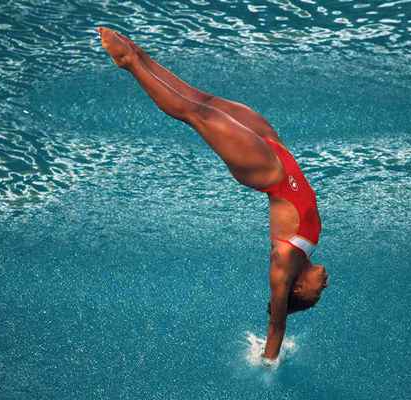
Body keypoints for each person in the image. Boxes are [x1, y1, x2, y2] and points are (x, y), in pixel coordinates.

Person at [96, 27, 328, 361]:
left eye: (316, 297)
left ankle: (129, 61)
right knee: (203, 99)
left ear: (299, 289)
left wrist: (269, 361)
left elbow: (276, 326)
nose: (324, 288)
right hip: (279, 152)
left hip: (268, 173)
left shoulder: (283, 269)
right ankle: (140, 54)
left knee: (198, 114)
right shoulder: (305, 254)